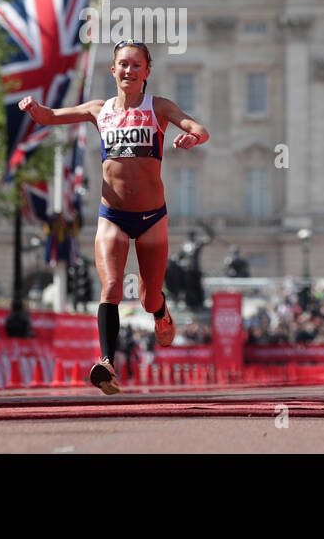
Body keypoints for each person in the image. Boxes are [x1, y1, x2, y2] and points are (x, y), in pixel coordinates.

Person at [18, 39, 209, 395]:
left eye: (136, 65)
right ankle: (107, 363)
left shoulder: (159, 108)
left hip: (152, 217)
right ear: (113, 70)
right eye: (123, 64)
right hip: (113, 215)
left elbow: (200, 129)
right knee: (111, 287)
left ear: (146, 73)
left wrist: (190, 139)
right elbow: (51, 118)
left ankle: (161, 311)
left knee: (149, 296)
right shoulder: (98, 109)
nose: (129, 70)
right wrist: (34, 108)